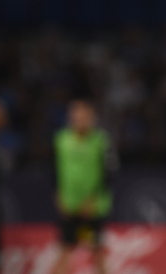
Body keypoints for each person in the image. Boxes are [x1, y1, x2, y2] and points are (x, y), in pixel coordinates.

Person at [52, 99, 118, 274]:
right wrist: (58, 196)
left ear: (92, 118)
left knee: (95, 249)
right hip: (69, 206)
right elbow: (54, 170)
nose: (80, 120)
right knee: (65, 249)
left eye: (84, 116)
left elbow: (109, 174)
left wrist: (94, 200)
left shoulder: (101, 141)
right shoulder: (61, 140)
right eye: (76, 116)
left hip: (91, 209)